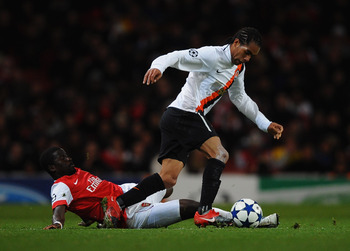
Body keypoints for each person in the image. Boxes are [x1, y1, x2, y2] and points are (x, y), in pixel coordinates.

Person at [110, 27, 283, 227]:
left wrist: (265, 123)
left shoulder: (238, 69)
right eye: (247, 52)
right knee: (220, 154)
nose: (248, 59)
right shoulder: (211, 55)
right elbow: (175, 56)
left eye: (252, 56)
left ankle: (118, 203)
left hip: (175, 117)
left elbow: (240, 98)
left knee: (168, 179)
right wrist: (158, 67)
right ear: (236, 43)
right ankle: (205, 212)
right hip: (185, 114)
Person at [41, 146, 279, 229]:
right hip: (128, 214)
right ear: (53, 168)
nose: (68, 157)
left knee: (166, 184)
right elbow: (59, 208)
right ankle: (245, 221)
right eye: (62, 158)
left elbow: (87, 199)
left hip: (125, 192)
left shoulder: (76, 174)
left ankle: (159, 205)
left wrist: (91, 216)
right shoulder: (60, 185)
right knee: (192, 207)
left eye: (66, 154)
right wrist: (58, 224)